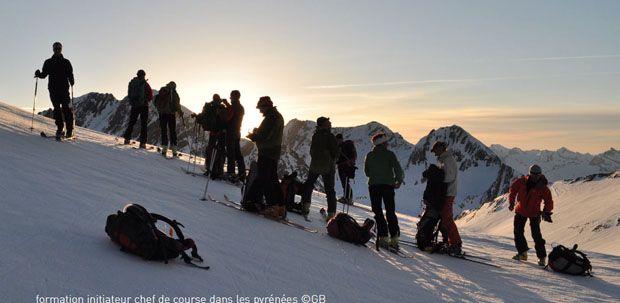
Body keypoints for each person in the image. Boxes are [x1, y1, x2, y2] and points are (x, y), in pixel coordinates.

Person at [245, 96, 285, 219]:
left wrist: (254, 136)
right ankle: (280, 206)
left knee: (263, 177)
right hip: (274, 151)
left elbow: (265, 135)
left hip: (267, 151)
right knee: (272, 178)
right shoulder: (276, 116)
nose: (260, 111)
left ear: (265, 106)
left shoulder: (271, 117)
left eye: (261, 108)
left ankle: (255, 202)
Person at [509, 164, 554, 266]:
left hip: (534, 213)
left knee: (536, 235)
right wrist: (511, 202)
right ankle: (522, 253)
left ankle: (541, 257)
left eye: (537, 174)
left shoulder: (543, 186)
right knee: (518, 232)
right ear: (530, 174)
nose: (535, 176)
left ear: (540, 174)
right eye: (533, 174)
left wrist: (546, 211)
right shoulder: (522, 181)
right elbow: (513, 190)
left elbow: (548, 200)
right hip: (521, 210)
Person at [365, 133, 404, 250]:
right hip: (388, 186)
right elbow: (398, 169)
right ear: (382, 143)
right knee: (390, 211)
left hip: (374, 186)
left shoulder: (370, 155)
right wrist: (398, 180)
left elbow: (367, 172)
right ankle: (394, 238)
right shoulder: (390, 154)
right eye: (386, 142)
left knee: (378, 211)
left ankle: (383, 237)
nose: (388, 144)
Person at [34, 42, 75, 140]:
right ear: (53, 49)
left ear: (61, 49)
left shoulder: (66, 62)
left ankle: (69, 130)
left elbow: (70, 73)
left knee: (66, 109)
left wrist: (72, 80)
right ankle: (60, 129)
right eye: (56, 48)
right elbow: (44, 74)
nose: (57, 50)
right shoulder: (48, 62)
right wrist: (39, 74)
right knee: (57, 109)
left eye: (59, 48)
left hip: (64, 89)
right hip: (53, 89)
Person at [301, 117, 339, 221]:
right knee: (330, 190)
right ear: (324, 125)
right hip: (328, 167)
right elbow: (335, 153)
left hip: (315, 165)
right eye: (328, 123)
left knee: (309, 184)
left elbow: (312, 151)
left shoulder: (315, 135)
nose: (330, 124)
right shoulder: (330, 136)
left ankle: (305, 206)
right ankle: (331, 215)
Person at [431, 141, 463, 256]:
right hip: (445, 193)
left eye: (435, 151)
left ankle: (456, 244)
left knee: (447, 218)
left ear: (441, 149)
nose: (435, 154)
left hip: (448, 193)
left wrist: (436, 177)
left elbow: (449, 177)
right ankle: (450, 242)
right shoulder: (444, 159)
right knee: (445, 218)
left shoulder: (447, 160)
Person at [196, 94, 231, 179]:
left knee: (211, 150)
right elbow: (226, 120)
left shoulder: (210, 106)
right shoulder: (222, 108)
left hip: (213, 132)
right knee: (219, 151)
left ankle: (210, 169)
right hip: (220, 133)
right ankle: (217, 171)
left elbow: (203, 116)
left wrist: (197, 117)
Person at [123, 70, 153, 149]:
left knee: (131, 122)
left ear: (137, 75)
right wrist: (145, 100)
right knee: (144, 124)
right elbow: (150, 96)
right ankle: (142, 143)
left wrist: (133, 101)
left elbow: (129, 94)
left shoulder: (132, 83)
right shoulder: (145, 84)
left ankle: (127, 139)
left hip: (135, 106)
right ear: (143, 75)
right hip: (144, 106)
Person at [154, 81, 182, 157]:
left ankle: (164, 149)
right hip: (171, 114)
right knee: (173, 131)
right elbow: (177, 104)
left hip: (162, 114)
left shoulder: (163, 90)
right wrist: (180, 112)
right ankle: (174, 151)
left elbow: (156, 101)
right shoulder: (174, 93)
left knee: (164, 131)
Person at [224, 90, 246, 182]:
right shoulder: (240, 107)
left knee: (231, 153)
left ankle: (231, 172)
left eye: (231, 96)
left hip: (231, 132)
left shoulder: (234, 106)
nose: (230, 98)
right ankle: (242, 173)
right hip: (237, 132)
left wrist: (226, 105)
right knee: (237, 153)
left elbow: (230, 115)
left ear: (234, 97)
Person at [336, 133, 357, 205]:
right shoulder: (347, 145)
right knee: (346, 183)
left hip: (343, 167)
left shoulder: (341, 147)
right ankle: (348, 198)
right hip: (349, 166)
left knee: (344, 183)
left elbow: (338, 158)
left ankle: (347, 198)